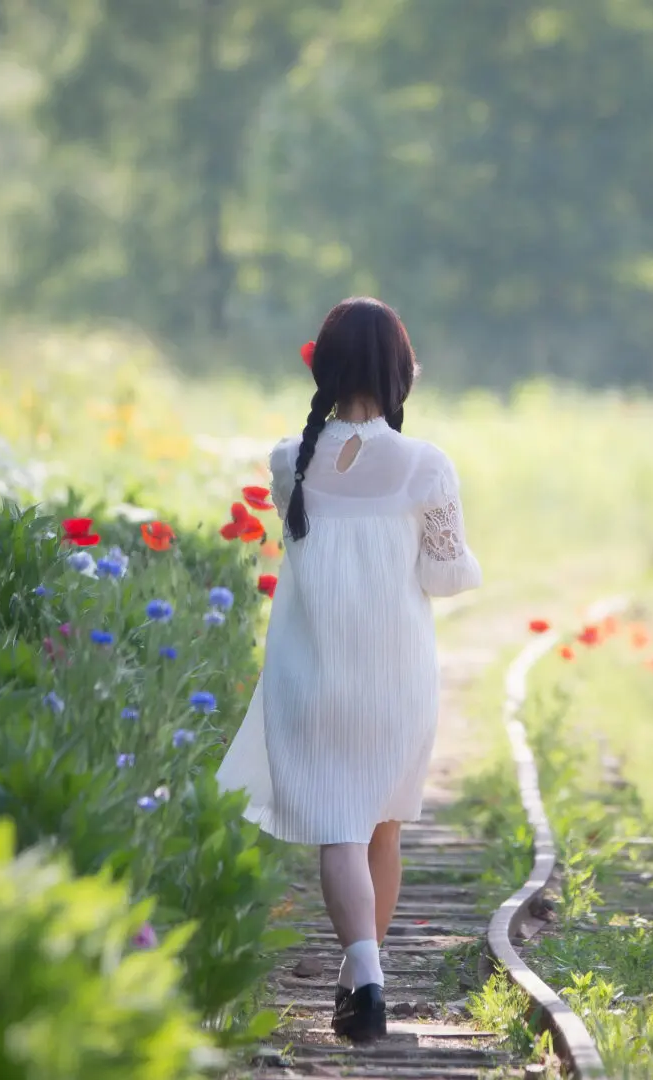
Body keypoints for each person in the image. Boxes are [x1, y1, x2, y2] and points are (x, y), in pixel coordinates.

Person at [216, 297, 483, 1043]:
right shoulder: (425, 465)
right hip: (396, 676)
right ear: (402, 372)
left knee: (339, 827)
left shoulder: (287, 461)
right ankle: (367, 972)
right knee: (383, 828)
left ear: (324, 369)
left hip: (312, 671)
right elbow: (447, 576)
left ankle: (360, 975)